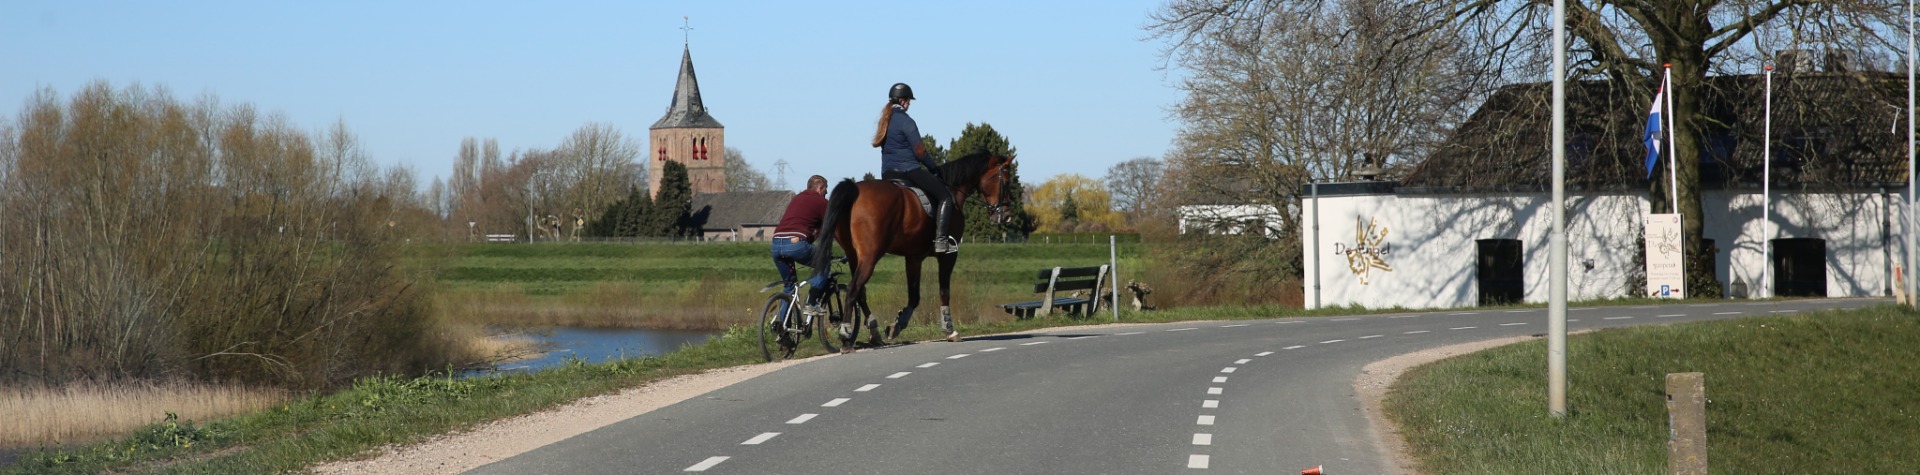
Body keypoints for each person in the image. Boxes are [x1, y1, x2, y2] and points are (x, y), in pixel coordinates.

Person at [871, 82, 959, 254]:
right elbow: (920, 151)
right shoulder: (906, 120)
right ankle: (941, 241)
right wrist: (934, 168)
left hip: (887, 173)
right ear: (903, 101)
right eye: (908, 101)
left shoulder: (885, 121)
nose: (909, 104)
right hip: (908, 171)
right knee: (946, 196)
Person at [771, 175, 831, 318]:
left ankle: (782, 328)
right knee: (824, 262)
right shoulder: (821, 202)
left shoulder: (797, 198)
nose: (826, 194)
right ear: (820, 188)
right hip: (795, 245)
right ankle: (811, 303)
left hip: (775, 244)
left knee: (789, 287)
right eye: (826, 191)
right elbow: (829, 227)